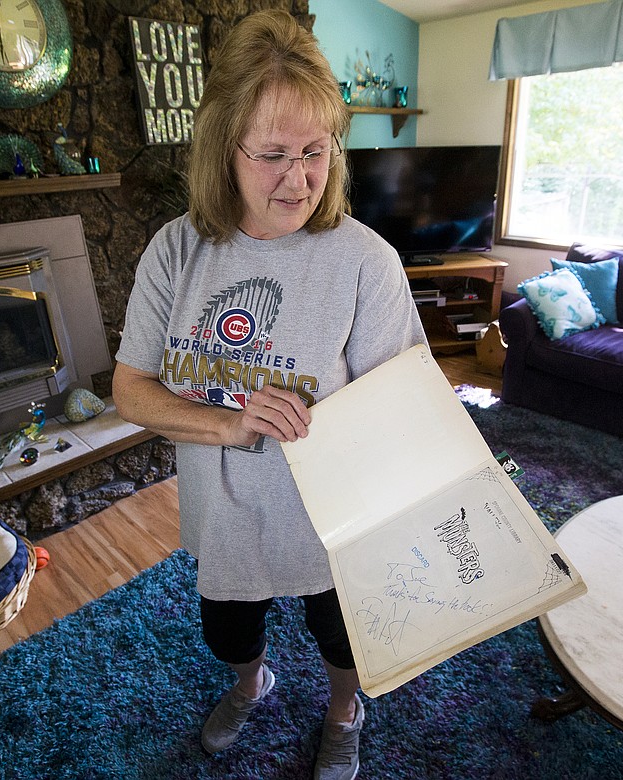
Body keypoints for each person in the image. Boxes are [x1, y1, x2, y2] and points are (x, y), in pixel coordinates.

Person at [112, 10, 426, 779]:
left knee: (340, 634)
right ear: (225, 149)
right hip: (221, 512)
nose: (299, 179)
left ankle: (344, 707)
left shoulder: (365, 262)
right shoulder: (176, 248)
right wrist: (226, 422)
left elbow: (407, 408)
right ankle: (255, 681)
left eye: (316, 152)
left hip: (329, 519)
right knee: (226, 632)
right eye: (274, 154)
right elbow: (129, 390)